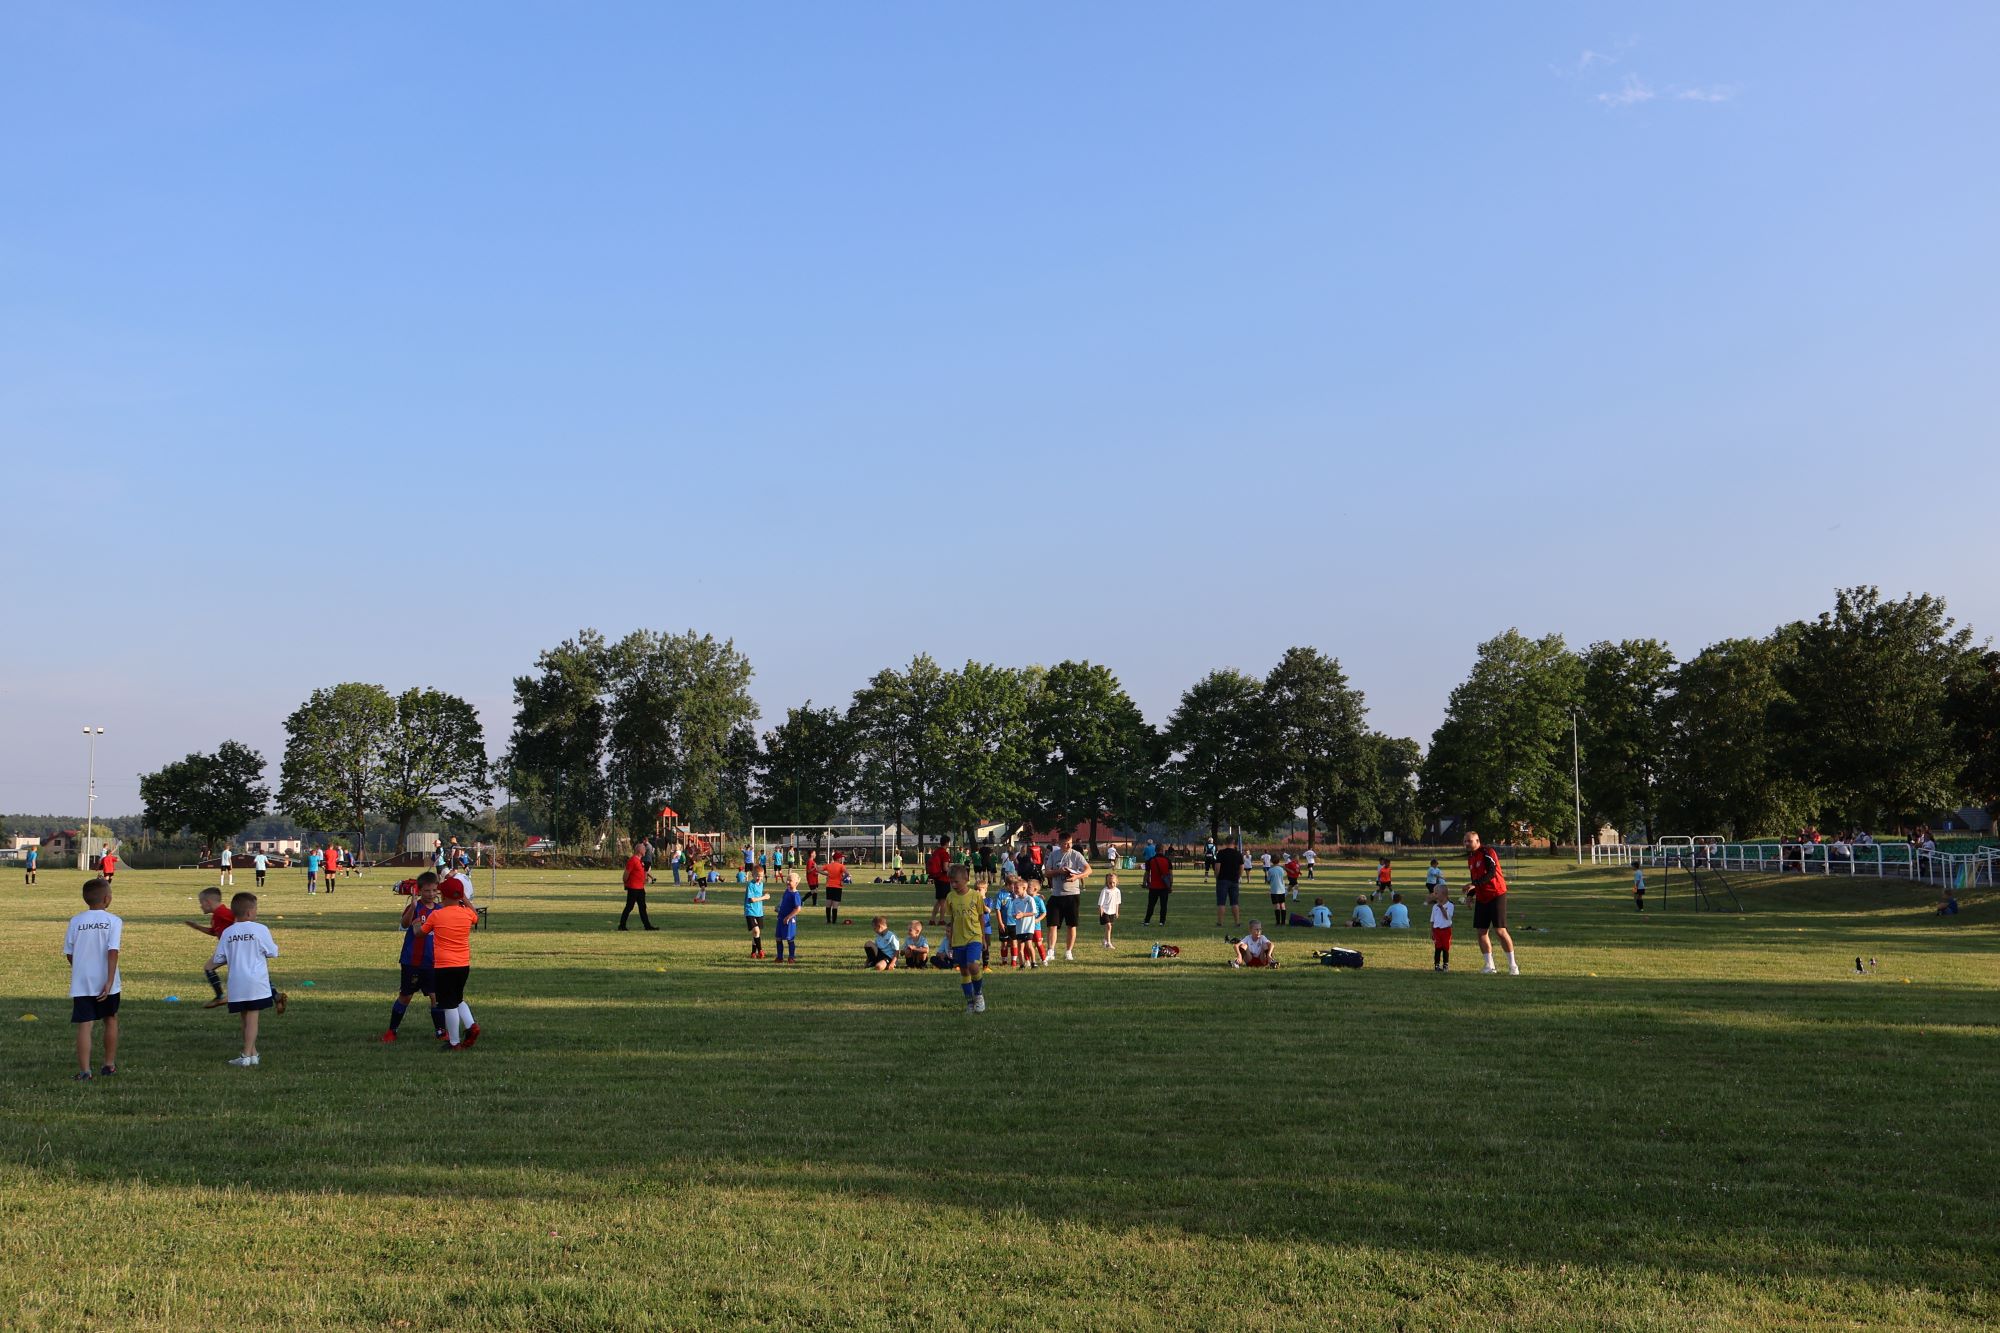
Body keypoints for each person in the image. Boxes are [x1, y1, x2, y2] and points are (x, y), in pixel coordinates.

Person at [209, 892, 284, 1066]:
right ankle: (246, 1055)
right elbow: (273, 952)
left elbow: (219, 958)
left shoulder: (228, 932)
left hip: (237, 983)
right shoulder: (260, 929)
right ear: (249, 912)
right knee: (252, 1018)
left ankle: (253, 1054)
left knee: (245, 1018)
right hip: (257, 982)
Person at [65, 878, 122, 1080]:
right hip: (107, 982)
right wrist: (108, 980)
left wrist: (81, 969)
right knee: (111, 1019)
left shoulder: (75, 921)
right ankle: (108, 1065)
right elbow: (112, 951)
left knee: (85, 1025)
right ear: (107, 899)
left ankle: (85, 1071)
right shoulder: (113, 921)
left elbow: (69, 953)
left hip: (82, 982)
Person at [417, 880, 480, 1050]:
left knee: (448, 1004)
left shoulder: (437, 915)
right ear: (461, 895)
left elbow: (421, 933)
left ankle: (454, 1042)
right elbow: (476, 916)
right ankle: (471, 1025)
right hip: (463, 964)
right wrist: (465, 899)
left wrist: (416, 923)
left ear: (442, 895)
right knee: (457, 998)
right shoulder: (467, 913)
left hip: (444, 965)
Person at [383, 875, 446, 1042]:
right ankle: (392, 1030)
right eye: (426, 890)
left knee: (435, 996)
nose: (431, 894)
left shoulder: (440, 909)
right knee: (406, 995)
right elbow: (404, 924)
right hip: (412, 961)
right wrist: (412, 907)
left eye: (434, 890)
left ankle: (441, 1030)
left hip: (433, 961)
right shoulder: (416, 907)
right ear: (419, 891)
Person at [1464, 830, 1519, 975]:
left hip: (1496, 894)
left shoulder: (1487, 852)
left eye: (1469, 841)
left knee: (1500, 931)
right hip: (1482, 898)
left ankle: (1513, 966)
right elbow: (1475, 878)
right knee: (1481, 932)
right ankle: (1489, 966)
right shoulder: (1470, 858)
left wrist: (1474, 884)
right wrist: (1471, 894)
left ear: (1477, 840)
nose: (1466, 844)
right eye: (1465, 841)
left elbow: (1491, 872)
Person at [944, 868, 989, 1013]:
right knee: (964, 971)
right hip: (958, 939)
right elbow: (951, 920)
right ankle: (970, 1003)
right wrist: (950, 939)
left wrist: (983, 938)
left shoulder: (975, 896)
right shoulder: (950, 897)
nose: (953, 884)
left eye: (956, 881)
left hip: (974, 936)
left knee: (973, 965)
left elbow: (981, 917)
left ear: (966, 879)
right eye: (951, 882)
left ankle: (979, 995)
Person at [185, 886, 235, 1009]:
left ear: (208, 902)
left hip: (235, 948)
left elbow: (240, 920)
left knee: (248, 975)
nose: (200, 906)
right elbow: (214, 932)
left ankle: (274, 995)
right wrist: (197, 927)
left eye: (201, 903)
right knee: (209, 967)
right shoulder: (216, 916)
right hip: (226, 949)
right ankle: (220, 996)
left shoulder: (223, 913)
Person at [1044, 835, 1089, 962]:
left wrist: (1077, 877)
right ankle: (1051, 951)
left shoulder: (1076, 855)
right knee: (1052, 924)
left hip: (1072, 895)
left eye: (1070, 842)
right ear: (1059, 843)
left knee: (1071, 925)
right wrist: (1058, 871)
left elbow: (1088, 870)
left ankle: (1068, 952)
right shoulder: (1054, 855)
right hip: (1056, 895)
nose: (1068, 845)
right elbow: (1047, 872)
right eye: (1065, 843)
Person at [619, 843, 656, 931]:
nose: (645, 850)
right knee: (629, 907)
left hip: (640, 888)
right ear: (639, 850)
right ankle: (622, 926)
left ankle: (647, 926)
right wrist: (626, 884)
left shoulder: (640, 861)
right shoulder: (633, 860)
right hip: (633, 888)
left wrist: (645, 879)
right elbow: (625, 875)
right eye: (644, 849)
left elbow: (642, 873)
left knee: (642, 907)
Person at [1214, 837, 1245, 927]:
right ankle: (1237, 922)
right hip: (1234, 880)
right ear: (1234, 843)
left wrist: (1217, 876)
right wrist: (1238, 876)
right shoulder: (1238, 854)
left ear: (1225, 842)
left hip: (1222, 879)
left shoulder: (1221, 853)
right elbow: (1242, 867)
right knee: (1234, 902)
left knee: (1221, 902)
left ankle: (1220, 922)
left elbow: (1217, 867)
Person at [775, 871, 802, 962]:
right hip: (781, 918)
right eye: (787, 880)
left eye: (790, 880)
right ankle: (779, 957)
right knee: (778, 938)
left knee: (789, 939)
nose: (787, 882)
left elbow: (798, 909)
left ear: (796, 883)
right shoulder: (787, 891)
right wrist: (779, 907)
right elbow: (783, 900)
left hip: (789, 920)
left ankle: (791, 957)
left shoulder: (795, 895)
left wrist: (788, 917)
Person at [1143, 844, 1173, 924]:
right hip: (1164, 887)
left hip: (1154, 887)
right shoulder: (1167, 860)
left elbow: (1147, 873)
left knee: (1151, 905)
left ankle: (1147, 921)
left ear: (1155, 850)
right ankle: (1162, 922)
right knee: (1163, 905)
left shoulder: (1151, 860)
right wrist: (1170, 886)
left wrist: (1144, 883)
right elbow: (1170, 875)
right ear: (1163, 850)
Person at [926, 837, 953, 924]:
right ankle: (941, 920)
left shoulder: (936, 851)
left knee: (939, 900)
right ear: (947, 843)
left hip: (937, 878)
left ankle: (932, 919)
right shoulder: (945, 853)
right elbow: (945, 868)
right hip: (944, 879)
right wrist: (951, 870)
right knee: (944, 901)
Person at [1428, 882, 1455, 971]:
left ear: (1443, 894)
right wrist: (1432, 931)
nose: (1434, 895)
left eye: (1436, 893)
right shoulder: (1435, 906)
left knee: (1445, 948)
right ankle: (1436, 965)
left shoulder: (1450, 905)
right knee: (1438, 948)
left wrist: (1442, 908)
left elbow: (1447, 916)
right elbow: (1432, 920)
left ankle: (1445, 965)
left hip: (1446, 930)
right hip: (1437, 931)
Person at [743, 867, 768, 959]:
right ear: (752, 875)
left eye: (761, 876)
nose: (759, 878)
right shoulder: (750, 885)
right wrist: (764, 897)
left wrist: (763, 896)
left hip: (759, 912)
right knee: (756, 930)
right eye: (757, 876)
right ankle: (760, 950)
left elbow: (758, 896)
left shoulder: (761, 884)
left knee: (756, 933)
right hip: (750, 911)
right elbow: (752, 899)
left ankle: (753, 952)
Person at [1098, 872, 1122, 950]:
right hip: (1105, 911)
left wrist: (1117, 911)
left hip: (1112, 911)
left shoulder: (1117, 891)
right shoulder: (1105, 890)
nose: (1112, 884)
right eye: (1110, 883)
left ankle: (1104, 940)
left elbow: (1117, 902)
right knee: (1108, 926)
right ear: (1107, 882)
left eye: (1113, 883)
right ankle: (1109, 943)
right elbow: (1101, 902)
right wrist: (1101, 909)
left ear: (1117, 882)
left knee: (1109, 927)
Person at [823, 853, 848, 925]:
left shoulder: (829, 865)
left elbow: (819, 870)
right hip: (837, 886)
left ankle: (828, 920)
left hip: (829, 886)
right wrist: (841, 879)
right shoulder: (841, 866)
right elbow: (847, 874)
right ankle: (834, 921)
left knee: (828, 904)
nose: (842, 859)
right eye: (841, 858)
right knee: (835, 905)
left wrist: (826, 874)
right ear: (838, 858)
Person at [1265, 856, 1289, 923]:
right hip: (1282, 889)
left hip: (1274, 890)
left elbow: (1268, 880)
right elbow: (1284, 876)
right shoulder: (1281, 869)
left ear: (1272, 861)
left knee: (1277, 906)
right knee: (1283, 905)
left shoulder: (1270, 870)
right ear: (1279, 861)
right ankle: (1283, 921)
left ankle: (1278, 922)